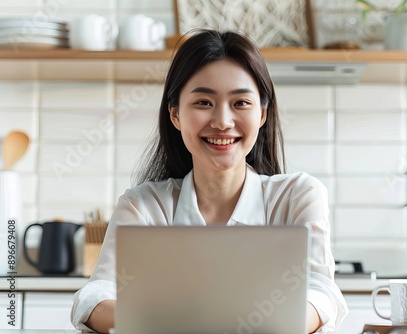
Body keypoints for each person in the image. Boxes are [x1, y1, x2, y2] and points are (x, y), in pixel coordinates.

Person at [71, 29, 348, 333]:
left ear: (262, 114)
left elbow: (321, 294)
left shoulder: (297, 197)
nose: (222, 122)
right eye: (204, 102)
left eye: (240, 103)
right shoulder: (144, 207)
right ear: (175, 114)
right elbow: (94, 297)